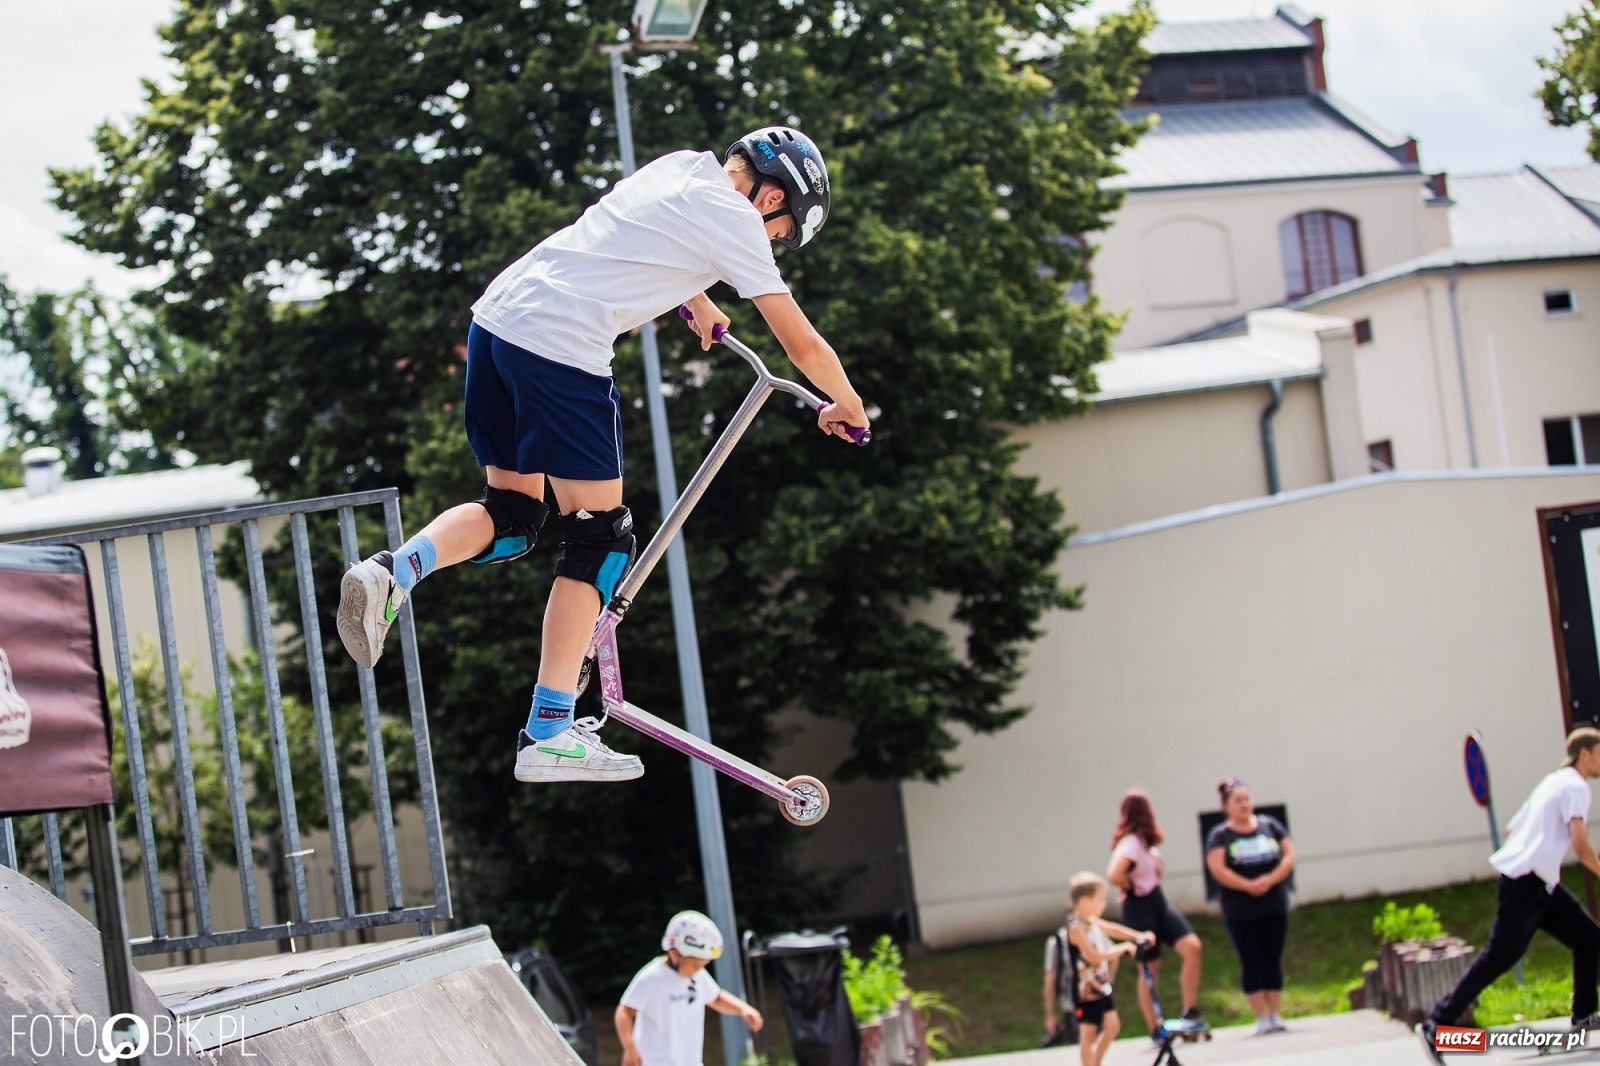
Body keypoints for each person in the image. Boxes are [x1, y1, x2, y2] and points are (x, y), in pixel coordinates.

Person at [333, 128, 867, 782]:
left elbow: (640, 241)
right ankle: (550, 731)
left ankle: (394, 571)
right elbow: (803, 344)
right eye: (782, 230)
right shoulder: (739, 219)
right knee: (601, 541)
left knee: (511, 516)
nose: (774, 241)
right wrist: (845, 403)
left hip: (498, 324)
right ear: (774, 194)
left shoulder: (682, 169)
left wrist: (696, 302)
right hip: (561, 344)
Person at [1420, 727, 1600, 1064]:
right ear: (1584, 754)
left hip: (1537, 881)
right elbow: (1580, 842)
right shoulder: (1576, 785)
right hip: (1528, 883)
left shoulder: (1551, 781)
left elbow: (1512, 828)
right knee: (1500, 956)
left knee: (1589, 938)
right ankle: (1437, 1023)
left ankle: (1585, 1014)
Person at [1108, 789, 1204, 1036]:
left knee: (1192, 947)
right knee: (1150, 967)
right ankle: (1154, 1025)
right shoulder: (1129, 844)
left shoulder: (1145, 844)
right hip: (1139, 906)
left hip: (1158, 902)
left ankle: (1190, 1009)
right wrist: (1132, 887)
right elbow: (1114, 875)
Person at [1204, 778, 1295, 1036]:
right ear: (1226, 806)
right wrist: (1247, 885)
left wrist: (1271, 878)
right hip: (1241, 910)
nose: (1244, 805)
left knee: (1272, 958)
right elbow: (1218, 869)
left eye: (1246, 799)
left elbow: (1288, 855)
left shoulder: (1270, 826)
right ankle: (1261, 1015)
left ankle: (1275, 1012)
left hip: (1273, 904)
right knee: (1251, 960)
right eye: (1237, 801)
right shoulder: (1220, 836)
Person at [616, 911, 763, 1066]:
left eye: (703, 966)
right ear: (674, 954)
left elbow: (716, 999)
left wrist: (742, 1009)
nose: (698, 970)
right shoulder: (651, 978)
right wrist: (630, 1048)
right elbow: (624, 1012)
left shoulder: (697, 975)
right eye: (694, 965)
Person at [1044, 871, 1149, 1066]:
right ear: (1084, 901)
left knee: (1112, 1027)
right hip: (1086, 992)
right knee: (1088, 1034)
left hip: (1101, 987)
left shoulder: (1090, 921)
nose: (1104, 904)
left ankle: (1095, 1063)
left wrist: (1137, 936)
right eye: (1100, 899)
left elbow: (1111, 929)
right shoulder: (1075, 928)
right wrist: (1122, 949)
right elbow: (1092, 957)